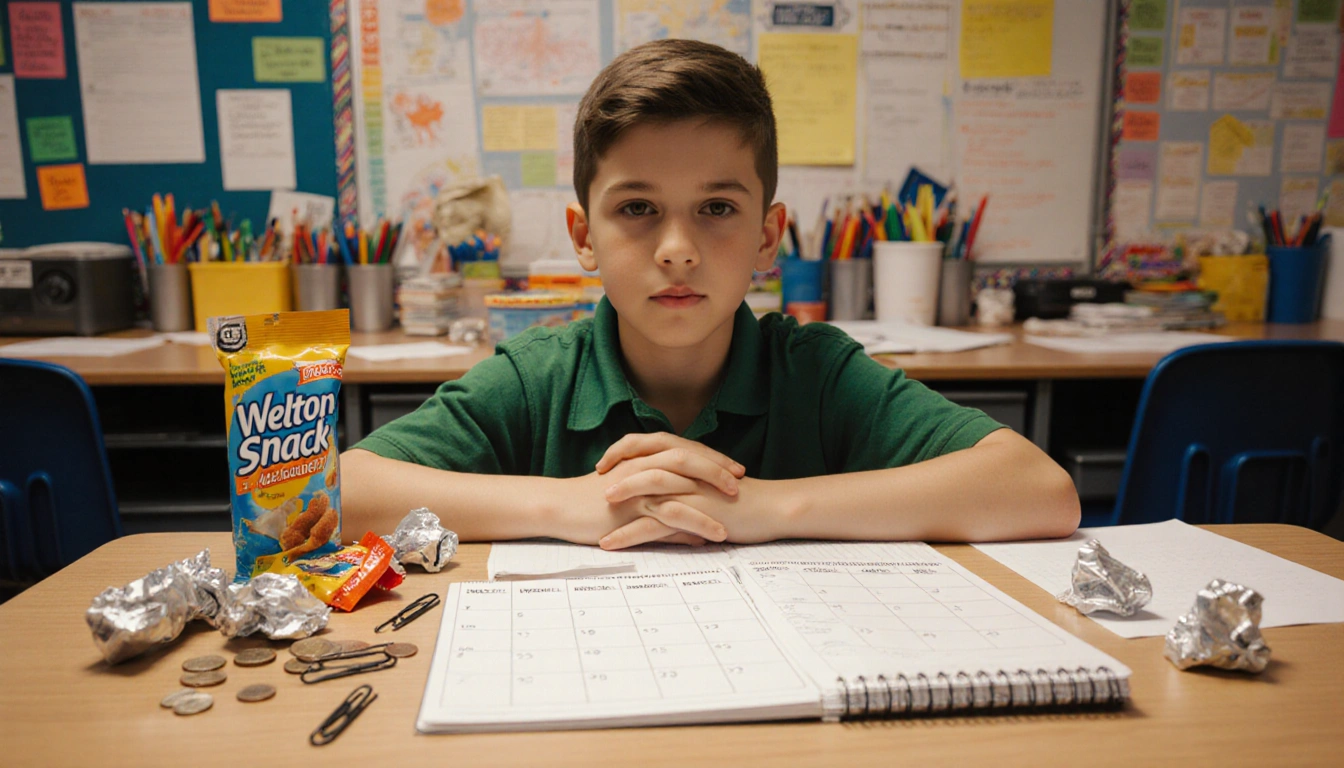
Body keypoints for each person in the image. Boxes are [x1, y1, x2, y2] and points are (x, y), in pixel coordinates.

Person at [340, 39, 1079, 548]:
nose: (678, 248)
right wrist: (566, 504)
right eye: (637, 208)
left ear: (767, 236)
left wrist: (762, 506)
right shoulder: (538, 380)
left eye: (717, 208)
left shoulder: (816, 374)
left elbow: (1040, 490)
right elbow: (332, 491)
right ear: (584, 236)